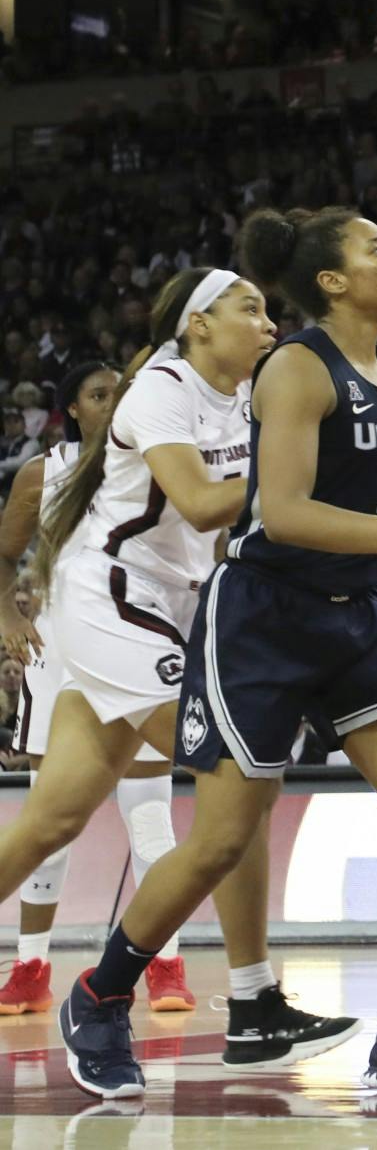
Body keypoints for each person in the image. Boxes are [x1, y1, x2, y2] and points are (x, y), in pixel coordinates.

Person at [59, 210, 377, 1098]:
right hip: (263, 617)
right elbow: (286, 511)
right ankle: (99, 995)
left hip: (359, 616)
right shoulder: (297, 366)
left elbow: (374, 535)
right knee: (222, 839)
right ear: (332, 281)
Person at [0, 272, 358, 1094]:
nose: (269, 321)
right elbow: (201, 504)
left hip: (175, 606)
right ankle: (244, 998)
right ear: (199, 324)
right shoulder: (159, 384)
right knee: (238, 777)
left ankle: (248, 1001)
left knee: (51, 818)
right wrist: (301, 484)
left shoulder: (252, 394)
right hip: (112, 601)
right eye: (251, 307)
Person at [0, 364, 200, 1015]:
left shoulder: (158, 456)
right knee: (46, 823)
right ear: (73, 412)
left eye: (120, 391)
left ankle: (165, 963)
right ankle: (29, 964)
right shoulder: (44, 471)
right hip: (60, 646)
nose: (114, 403)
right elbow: (5, 551)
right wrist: (7, 616)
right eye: (98, 394)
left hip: (134, 636)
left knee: (150, 816)